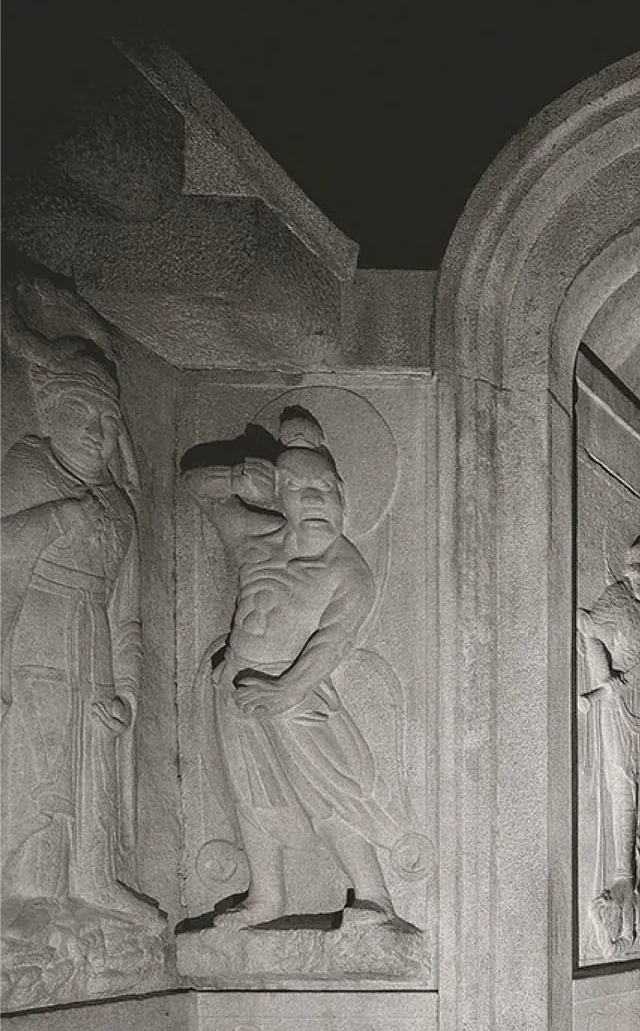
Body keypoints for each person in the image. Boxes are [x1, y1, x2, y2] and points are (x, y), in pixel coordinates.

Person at [182, 409, 416, 930]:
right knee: (251, 794)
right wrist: (238, 479)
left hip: (299, 698)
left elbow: (331, 644)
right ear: (277, 495)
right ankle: (266, 895)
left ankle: (376, 897)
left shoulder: (347, 572)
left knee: (326, 795)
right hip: (237, 685)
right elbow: (198, 488)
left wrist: (285, 690)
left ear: (343, 496)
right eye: (298, 489)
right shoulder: (253, 538)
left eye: (325, 489)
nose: (314, 500)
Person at [2, 332, 157, 925]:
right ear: (49, 413)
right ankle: (33, 894)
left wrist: (128, 696)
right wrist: (57, 516)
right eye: (80, 411)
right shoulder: (28, 469)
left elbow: (127, 614)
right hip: (36, 644)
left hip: (95, 649)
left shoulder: (120, 509)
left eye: (109, 420)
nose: (96, 430)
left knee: (94, 771)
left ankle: (95, 881)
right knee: (42, 767)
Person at [577, 532, 640, 950]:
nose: (636, 579)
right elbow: (585, 626)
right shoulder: (616, 600)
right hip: (616, 705)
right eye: (631, 572)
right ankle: (623, 873)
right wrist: (603, 675)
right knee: (623, 786)